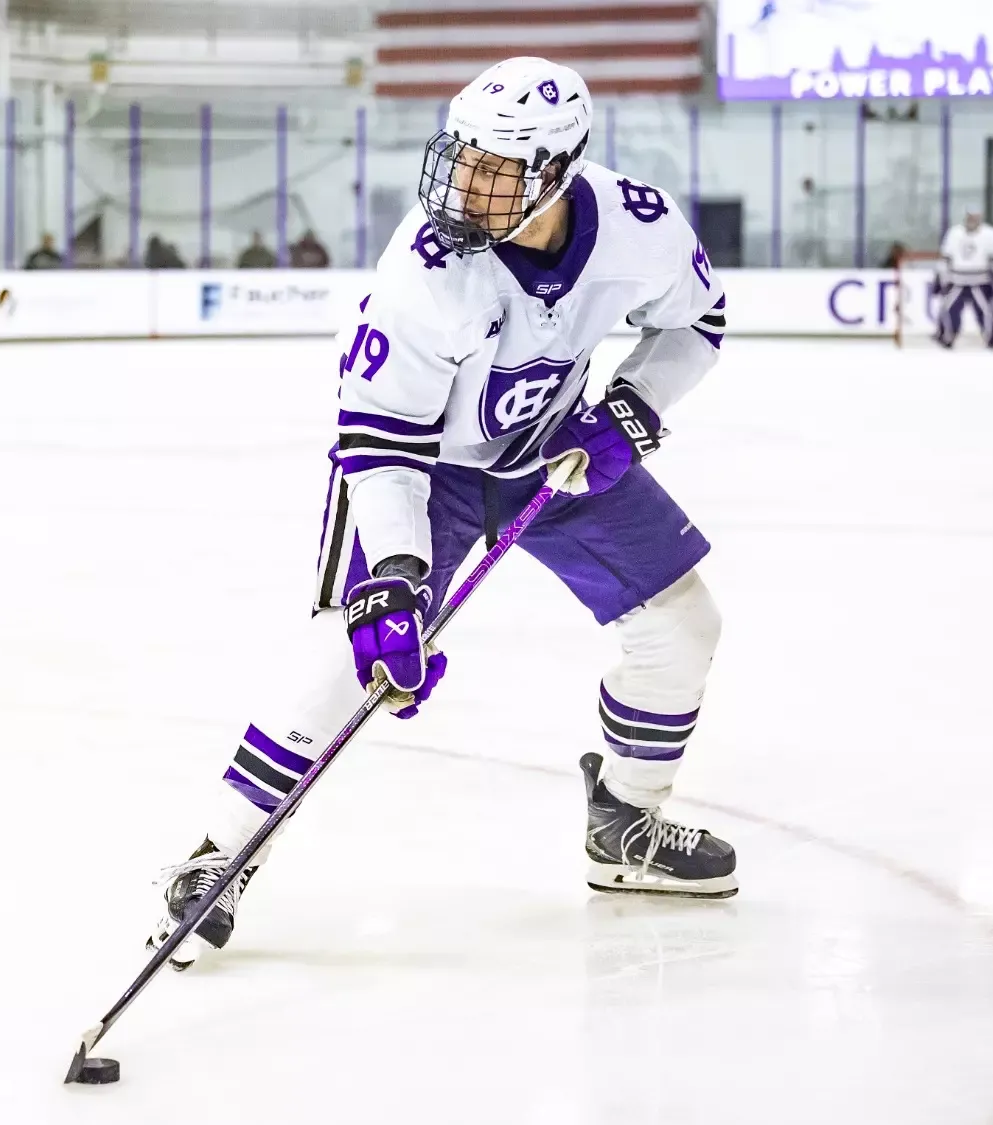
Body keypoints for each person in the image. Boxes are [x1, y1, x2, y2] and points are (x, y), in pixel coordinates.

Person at [147, 57, 734, 969]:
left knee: (684, 623)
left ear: (559, 172)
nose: (465, 182)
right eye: (462, 157)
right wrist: (392, 580)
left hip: (558, 448)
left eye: (496, 169)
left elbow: (697, 322)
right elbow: (379, 446)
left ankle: (625, 819)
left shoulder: (639, 228)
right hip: (429, 471)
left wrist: (635, 406)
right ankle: (218, 853)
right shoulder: (424, 271)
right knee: (356, 650)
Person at [934, 209, 993, 349]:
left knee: (985, 311)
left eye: (975, 217)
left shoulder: (990, 234)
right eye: (969, 217)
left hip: (980, 280)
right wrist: (940, 275)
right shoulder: (954, 233)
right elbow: (946, 257)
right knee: (948, 308)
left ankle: (992, 337)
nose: (972, 220)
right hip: (957, 279)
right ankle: (947, 336)